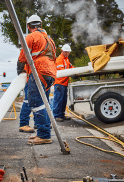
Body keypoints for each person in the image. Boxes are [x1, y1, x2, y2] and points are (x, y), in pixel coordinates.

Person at [17, 14, 56, 145]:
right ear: (40, 25)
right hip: (50, 72)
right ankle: (42, 133)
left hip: (39, 71)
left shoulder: (31, 37)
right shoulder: (49, 39)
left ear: (29, 27)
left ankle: (44, 135)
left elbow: (23, 57)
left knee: (34, 102)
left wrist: (19, 70)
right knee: (44, 102)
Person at [52, 44, 74, 122]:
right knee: (58, 100)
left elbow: (71, 67)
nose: (67, 53)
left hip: (64, 83)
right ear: (62, 51)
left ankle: (61, 115)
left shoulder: (66, 59)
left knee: (63, 100)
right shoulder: (59, 59)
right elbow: (62, 71)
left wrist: (75, 72)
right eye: (66, 52)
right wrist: (71, 74)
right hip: (59, 83)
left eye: (68, 52)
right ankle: (56, 116)